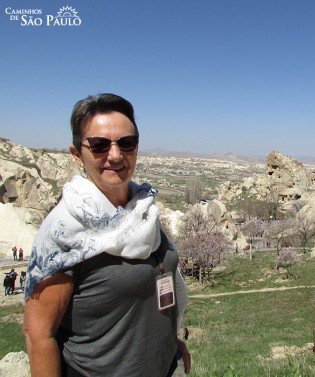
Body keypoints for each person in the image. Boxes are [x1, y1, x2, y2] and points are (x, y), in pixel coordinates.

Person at [23, 93, 191, 377]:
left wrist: (167, 340)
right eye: (99, 145)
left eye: (126, 143)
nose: (115, 155)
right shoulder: (64, 231)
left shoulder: (142, 210)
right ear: (77, 155)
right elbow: (38, 335)